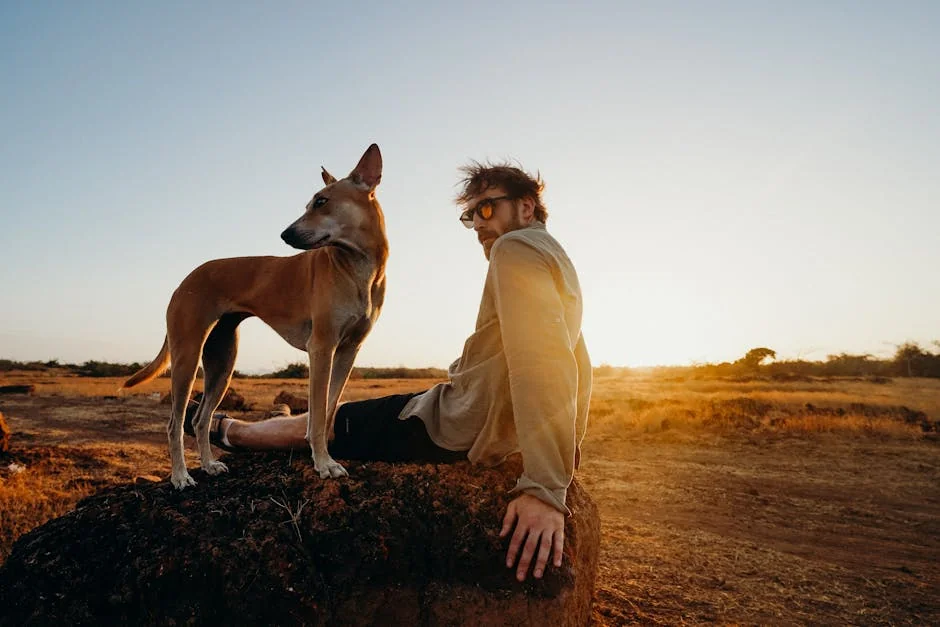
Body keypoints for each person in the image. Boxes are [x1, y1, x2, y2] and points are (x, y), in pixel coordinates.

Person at [189, 162, 591, 582]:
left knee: (335, 421)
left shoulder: (514, 250)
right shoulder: (556, 256)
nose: (476, 225)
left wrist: (545, 487)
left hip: (451, 425)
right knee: (351, 412)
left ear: (526, 207)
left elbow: (542, 359)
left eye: (486, 210)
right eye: (469, 216)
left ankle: (231, 431)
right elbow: (577, 359)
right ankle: (266, 422)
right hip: (486, 423)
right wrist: (568, 449)